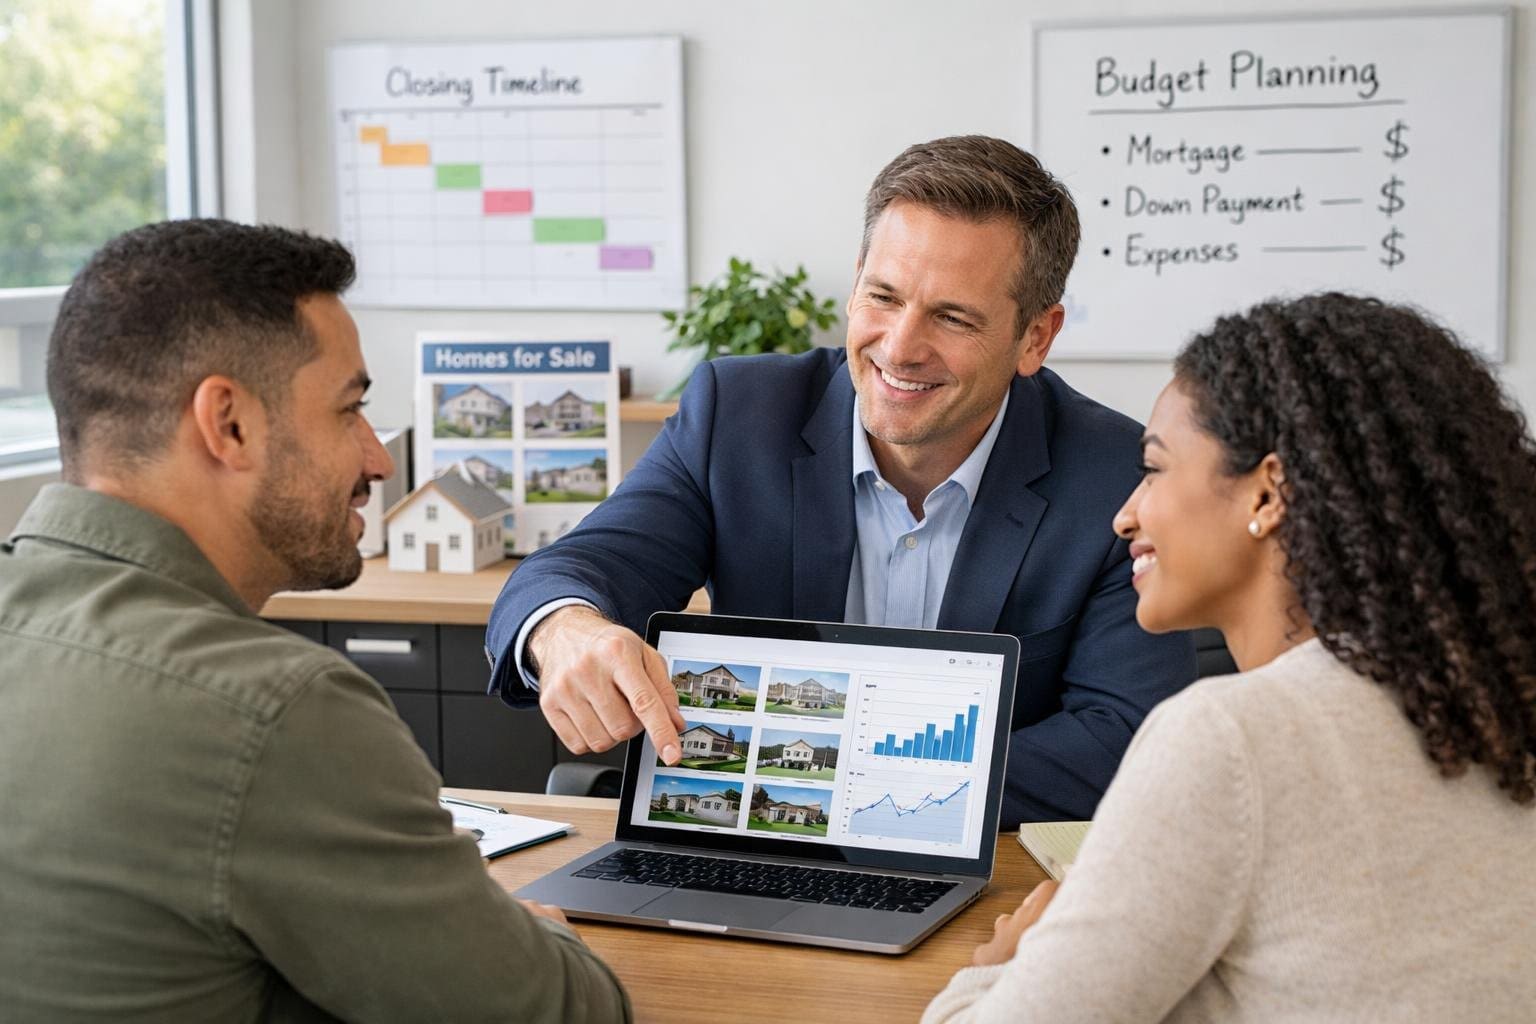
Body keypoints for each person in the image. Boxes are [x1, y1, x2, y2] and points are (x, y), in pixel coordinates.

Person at [0, 220, 630, 1021]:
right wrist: (533, 936)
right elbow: (567, 1013)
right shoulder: (275, 711)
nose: (378, 459)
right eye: (349, 410)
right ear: (228, 424)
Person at [487, 135, 1196, 825]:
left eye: (951, 316)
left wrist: (835, 782)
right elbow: (577, 568)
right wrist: (564, 629)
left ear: (1036, 337)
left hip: (986, 879)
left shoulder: (1115, 477)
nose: (899, 347)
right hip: (751, 851)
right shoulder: (735, 417)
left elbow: (1124, 741)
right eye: (883, 296)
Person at [923, 293, 1536, 1022]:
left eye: (1153, 469)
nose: (1125, 514)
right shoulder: (1491, 699)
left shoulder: (1230, 737)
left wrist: (997, 970)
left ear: (1269, 492)